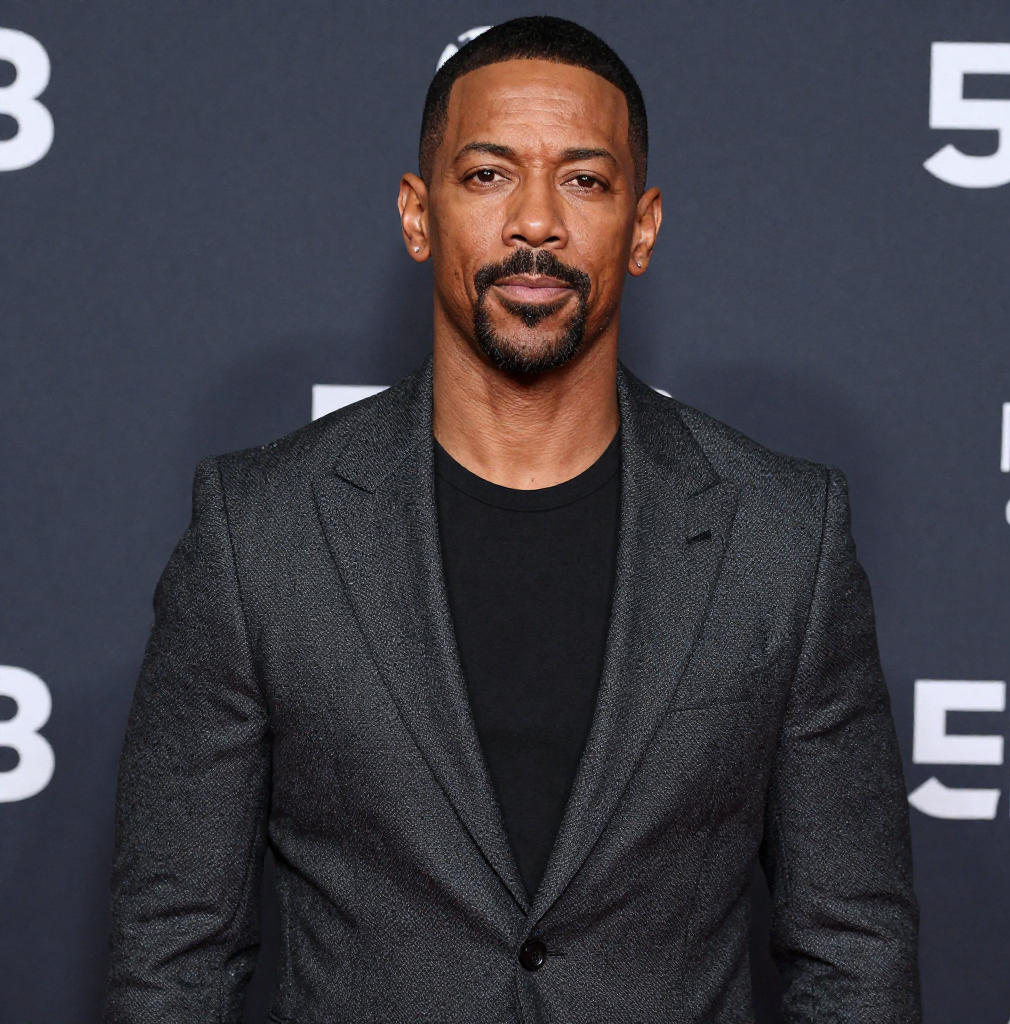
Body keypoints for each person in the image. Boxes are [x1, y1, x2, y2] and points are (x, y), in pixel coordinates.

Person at [105, 16, 920, 1023]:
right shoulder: (258, 533)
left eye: (584, 180)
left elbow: (853, 952)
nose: (536, 221)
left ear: (642, 227)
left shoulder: (784, 538)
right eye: (489, 175)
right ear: (418, 215)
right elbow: (173, 956)